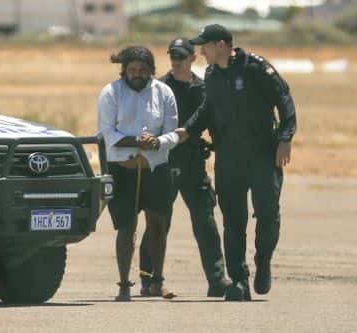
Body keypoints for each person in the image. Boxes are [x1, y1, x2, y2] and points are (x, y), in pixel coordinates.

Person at [176, 24, 297, 301]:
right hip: (229, 156)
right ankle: (239, 281)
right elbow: (208, 109)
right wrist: (188, 130)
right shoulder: (211, 74)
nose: (200, 51)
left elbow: (285, 101)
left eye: (204, 45)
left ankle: (263, 260)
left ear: (220, 44)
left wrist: (285, 138)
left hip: (263, 154)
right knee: (233, 221)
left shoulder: (255, 67)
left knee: (267, 213)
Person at [138, 38, 231, 297]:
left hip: (192, 162)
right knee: (158, 222)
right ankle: (148, 279)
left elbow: (213, 119)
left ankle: (216, 279)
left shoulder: (203, 88)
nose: (176, 60)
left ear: (192, 57)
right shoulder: (158, 88)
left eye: (181, 55)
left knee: (205, 220)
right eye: (172, 55)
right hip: (164, 161)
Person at [97, 46, 180, 301]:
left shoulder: (164, 92)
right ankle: (124, 285)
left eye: (143, 70)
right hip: (123, 172)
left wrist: (156, 142)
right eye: (132, 70)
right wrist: (136, 141)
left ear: (151, 71)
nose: (137, 74)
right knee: (126, 227)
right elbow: (108, 134)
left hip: (155, 170)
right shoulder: (111, 92)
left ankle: (157, 282)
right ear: (124, 70)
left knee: (157, 224)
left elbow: (173, 133)